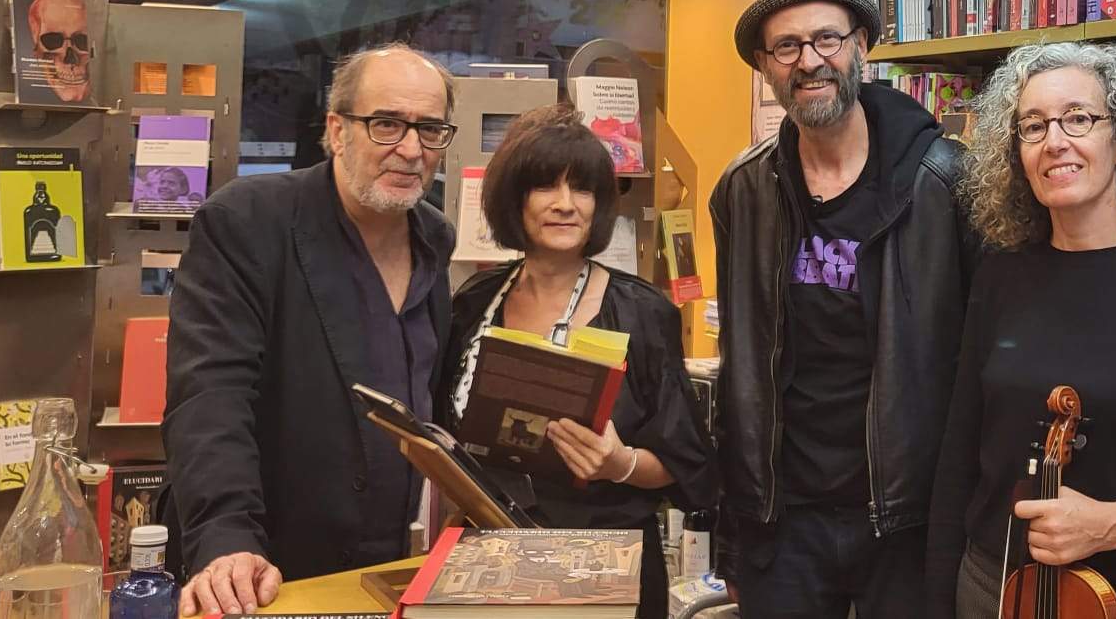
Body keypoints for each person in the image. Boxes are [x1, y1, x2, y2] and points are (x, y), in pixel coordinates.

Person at [926, 42, 1116, 619]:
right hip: (989, 586)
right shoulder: (998, 278)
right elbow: (959, 452)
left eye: (1078, 118)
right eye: (1032, 126)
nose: (1054, 142)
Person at [710, 0, 973, 618]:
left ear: (860, 46)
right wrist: (733, 530)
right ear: (765, 67)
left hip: (905, 520)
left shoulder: (944, 184)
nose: (810, 61)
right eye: (787, 46)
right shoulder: (742, 192)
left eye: (826, 39)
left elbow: (981, 360)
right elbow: (738, 366)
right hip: (783, 522)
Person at [164, 42, 460, 616]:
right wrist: (227, 538)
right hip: (261, 572)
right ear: (337, 129)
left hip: (383, 570)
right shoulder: (247, 221)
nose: (410, 149)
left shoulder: (434, 239)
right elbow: (210, 396)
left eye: (429, 130)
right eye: (386, 124)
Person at [447, 103, 720, 619]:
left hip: (606, 570)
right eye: (546, 186)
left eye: (583, 189)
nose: (566, 205)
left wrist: (621, 466)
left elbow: (691, 467)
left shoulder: (642, 313)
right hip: (492, 563)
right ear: (514, 199)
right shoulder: (473, 302)